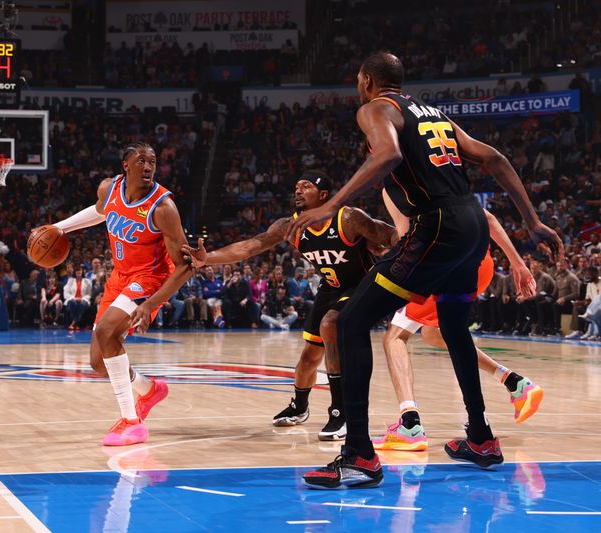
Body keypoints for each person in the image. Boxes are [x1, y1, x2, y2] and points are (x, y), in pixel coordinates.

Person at [288, 52, 562, 489]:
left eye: (358, 80)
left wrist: (331, 202)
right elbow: (493, 158)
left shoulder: (376, 108)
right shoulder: (433, 113)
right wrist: (532, 221)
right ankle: (481, 438)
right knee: (453, 327)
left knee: (350, 320)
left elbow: (388, 156)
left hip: (436, 226)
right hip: (472, 224)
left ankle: (359, 454)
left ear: (367, 80)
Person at [181, 172, 396, 440]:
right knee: (309, 357)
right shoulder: (291, 226)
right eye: (296, 186)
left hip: (361, 285)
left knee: (330, 325)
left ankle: (341, 413)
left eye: (306, 186)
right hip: (330, 288)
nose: (298, 190)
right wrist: (207, 259)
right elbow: (250, 247)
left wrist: (397, 256)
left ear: (323, 195)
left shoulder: (348, 218)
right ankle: (300, 406)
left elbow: (390, 235)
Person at [374, 192, 544, 452]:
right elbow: (487, 218)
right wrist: (517, 263)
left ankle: (410, 425)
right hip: (479, 263)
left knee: (395, 336)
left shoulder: (395, 182)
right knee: (435, 334)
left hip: (443, 264)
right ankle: (516, 383)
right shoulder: (440, 169)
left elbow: (406, 236)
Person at [51, 142, 191, 446]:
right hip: (120, 276)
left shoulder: (163, 207)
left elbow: (185, 266)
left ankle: (131, 423)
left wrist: (153, 302)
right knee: (98, 362)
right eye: (141, 160)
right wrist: (59, 228)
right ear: (125, 165)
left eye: (152, 161)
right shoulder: (109, 189)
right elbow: (101, 211)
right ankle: (149, 389)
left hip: (151, 278)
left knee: (106, 330)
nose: (148, 166)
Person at [64, 264, 92, 330]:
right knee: (72, 303)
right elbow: (66, 292)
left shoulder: (87, 281)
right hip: (72, 299)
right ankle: (76, 324)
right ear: (75, 272)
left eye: (80, 271)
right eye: (77, 271)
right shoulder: (70, 281)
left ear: (82, 272)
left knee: (81, 304)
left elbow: (89, 294)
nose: (78, 272)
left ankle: (73, 323)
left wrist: (82, 298)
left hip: (84, 300)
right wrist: (74, 298)